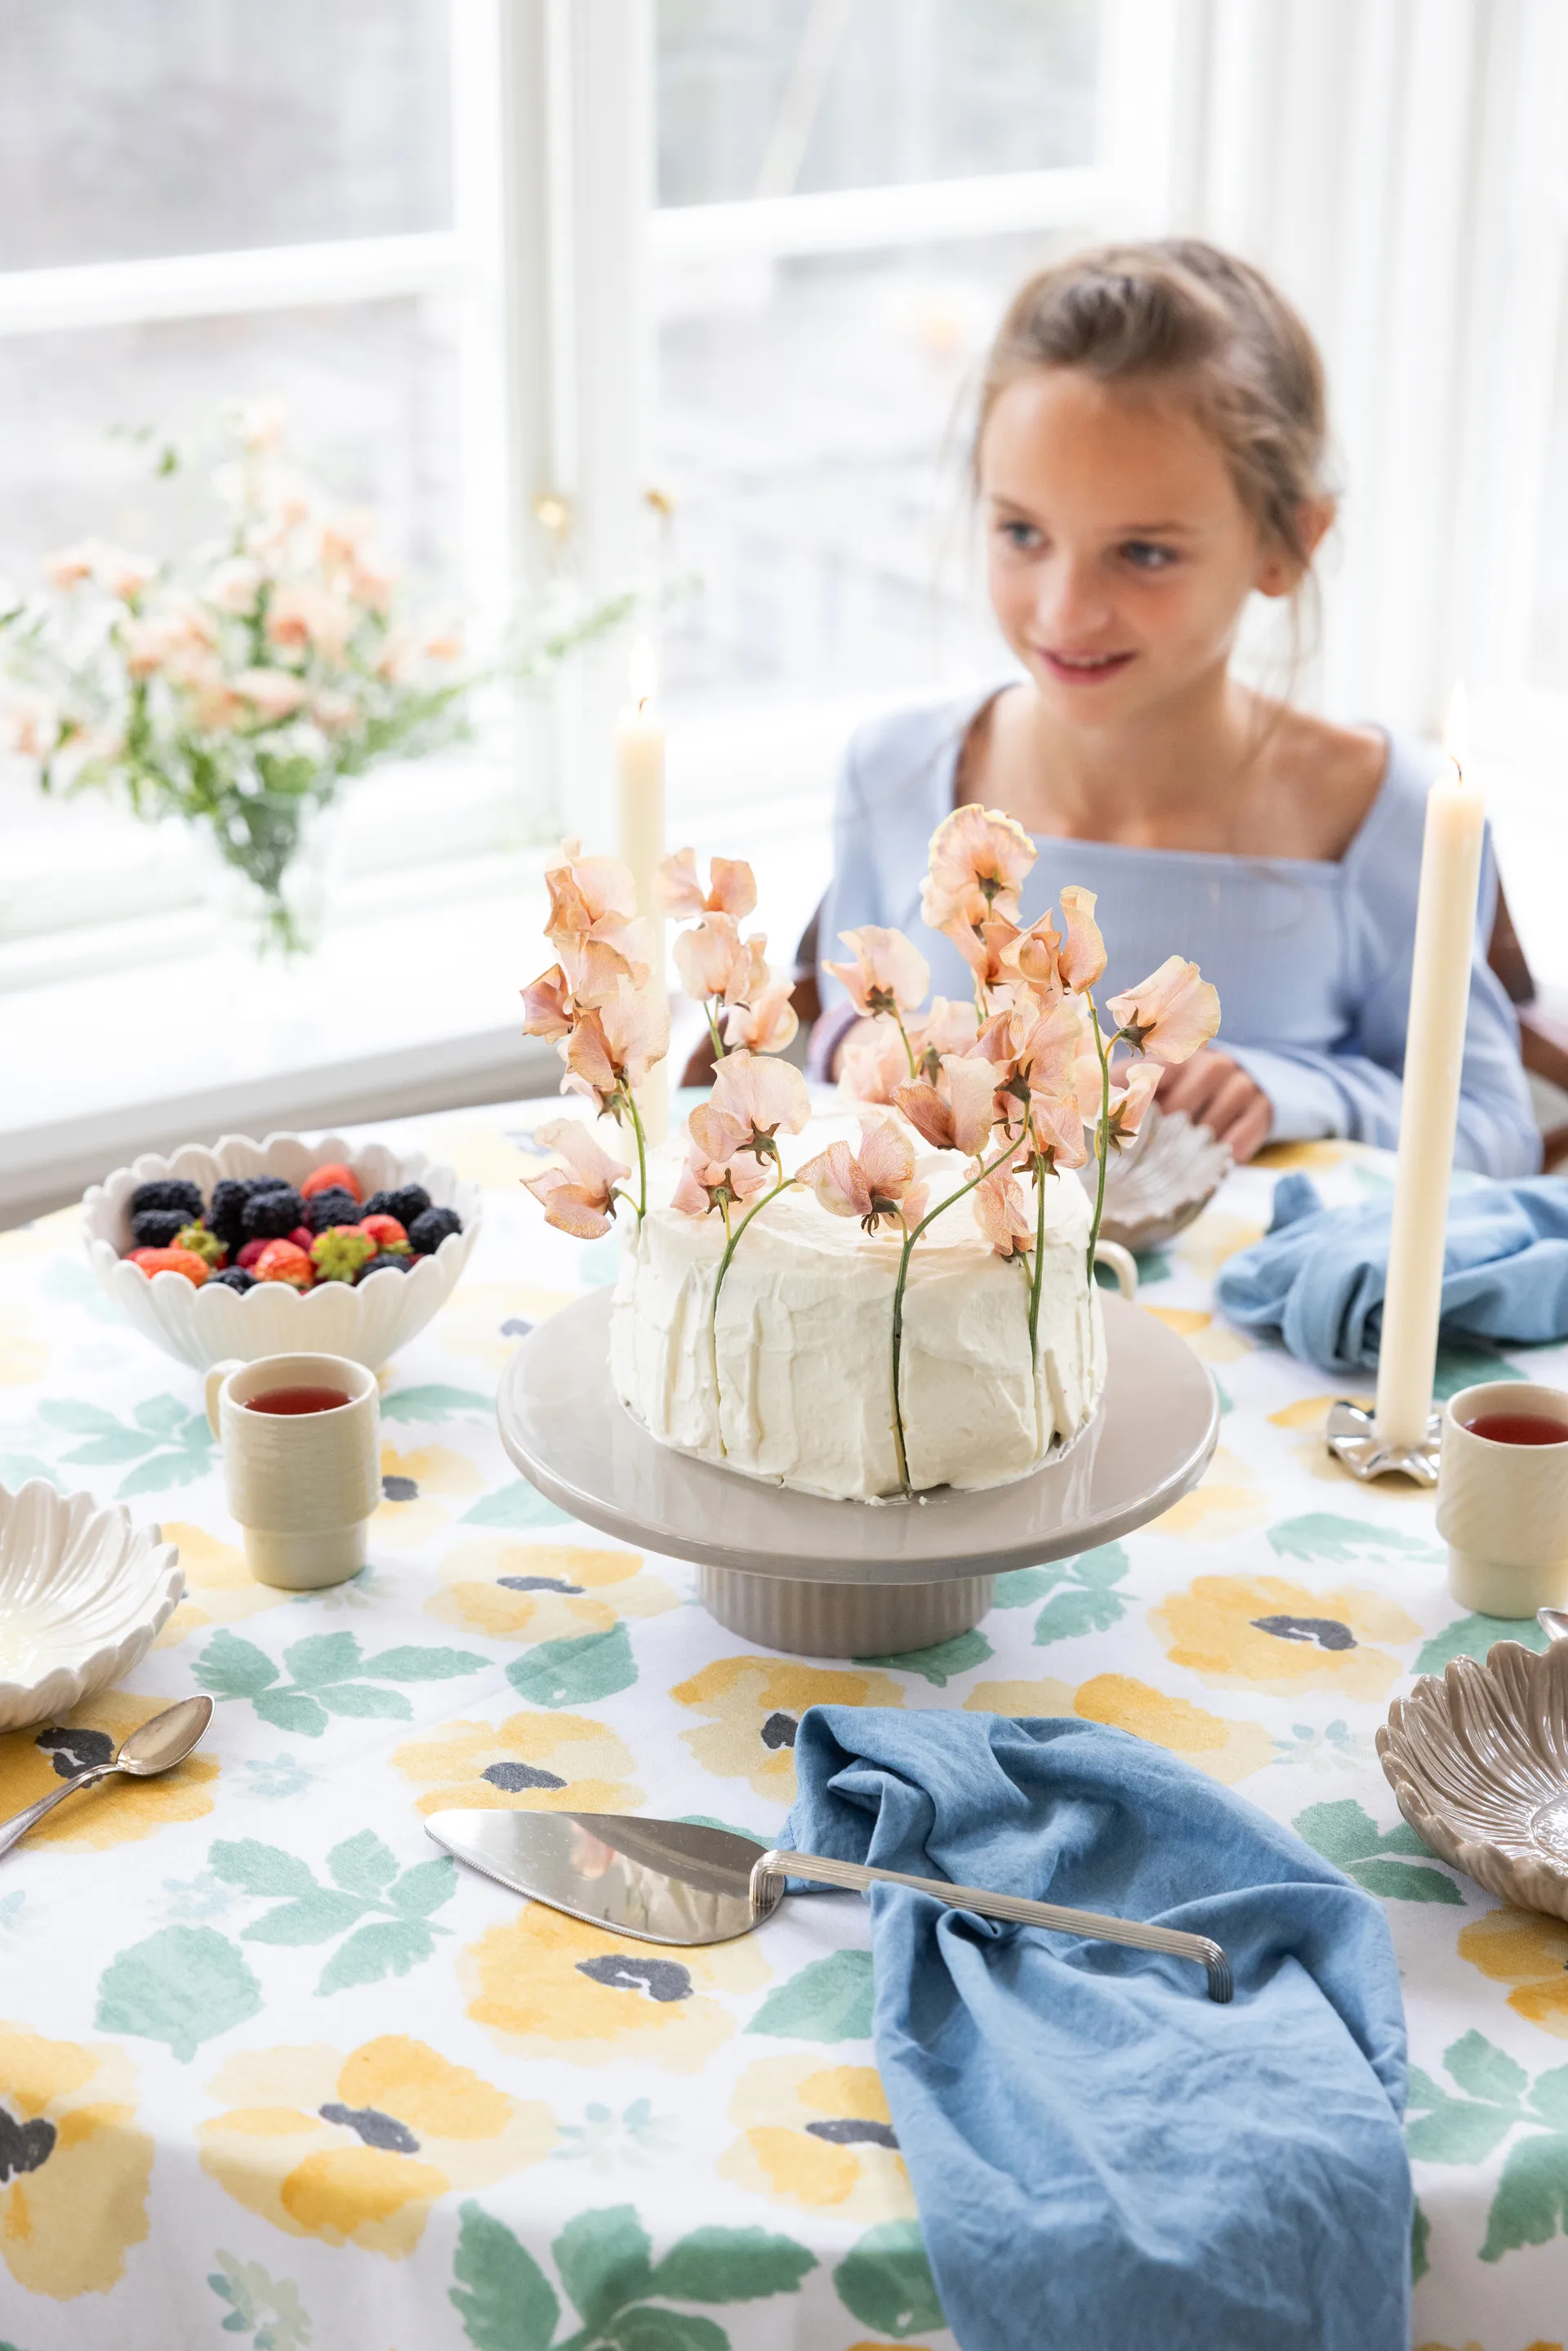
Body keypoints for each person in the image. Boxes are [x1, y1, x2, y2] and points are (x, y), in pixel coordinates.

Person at [811, 239, 1539, 1176]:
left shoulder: (1386, 818)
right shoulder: (899, 772)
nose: (1064, 610)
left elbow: (1494, 1131)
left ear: (1288, 544)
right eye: (1022, 532)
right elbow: (840, 1033)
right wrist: (854, 1056)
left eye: (1144, 553)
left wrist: (1299, 1089)